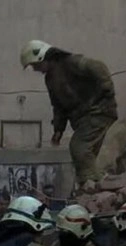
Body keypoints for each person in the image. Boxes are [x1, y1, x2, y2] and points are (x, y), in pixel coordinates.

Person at [20, 40, 117, 187]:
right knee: (85, 156)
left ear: (43, 57)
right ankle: (96, 185)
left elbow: (98, 67)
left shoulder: (71, 63)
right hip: (83, 118)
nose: (35, 70)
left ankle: (92, 185)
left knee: (78, 147)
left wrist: (106, 88)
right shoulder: (50, 79)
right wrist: (58, 129)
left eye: (35, 65)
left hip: (98, 111)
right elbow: (58, 106)